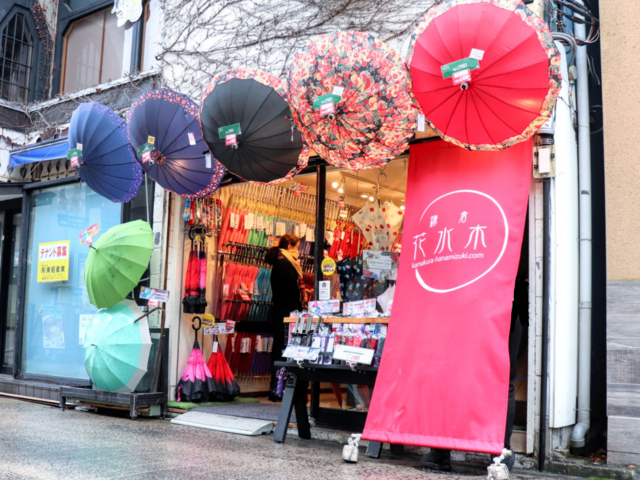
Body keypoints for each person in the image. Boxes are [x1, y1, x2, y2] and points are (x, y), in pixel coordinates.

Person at [421, 275, 528, 472]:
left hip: (464, 290)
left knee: (451, 373)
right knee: (502, 380)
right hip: (504, 291)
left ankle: (441, 451)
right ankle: (500, 452)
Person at [265, 234, 303, 401]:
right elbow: (290, 293)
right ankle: (277, 389)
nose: (298, 251)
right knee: (283, 349)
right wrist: (297, 312)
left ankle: (277, 388)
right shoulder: (285, 265)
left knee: (281, 348)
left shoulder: (283, 264)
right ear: (289, 247)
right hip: (286, 314)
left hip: (282, 312)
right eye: (296, 247)